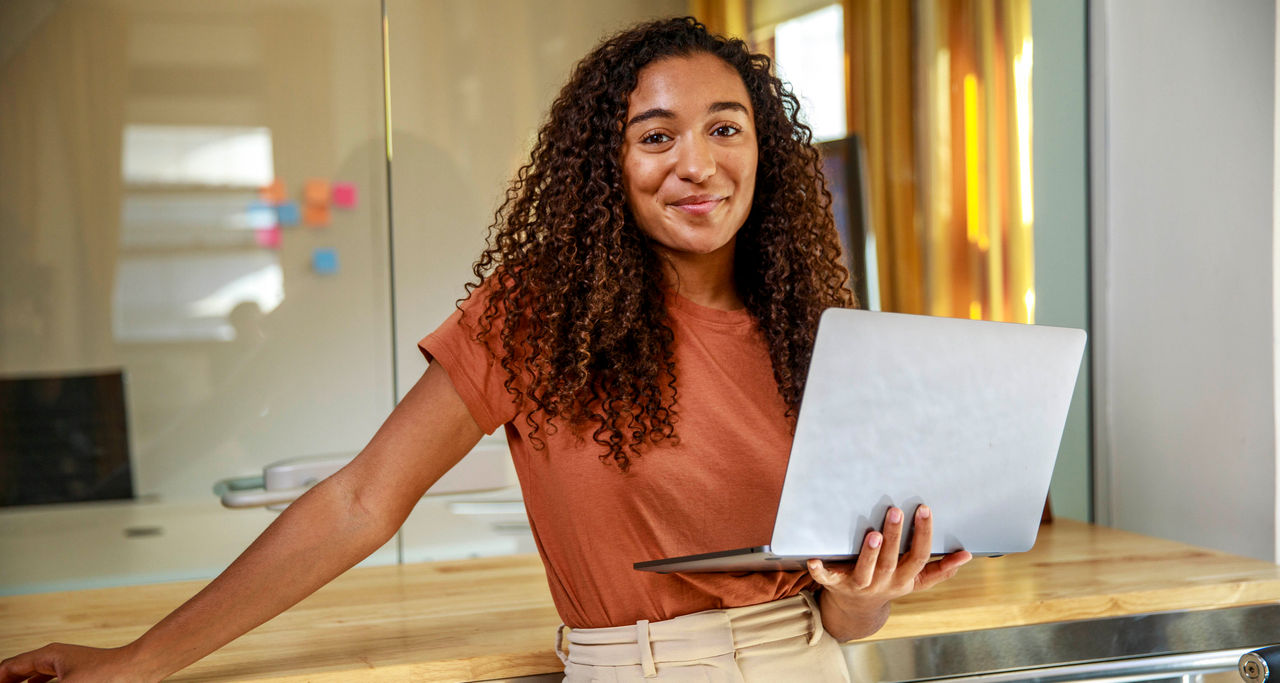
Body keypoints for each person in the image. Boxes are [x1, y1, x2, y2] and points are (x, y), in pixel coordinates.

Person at [0, 17, 971, 682]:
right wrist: (138, 660)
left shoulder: (809, 334)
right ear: (607, 164)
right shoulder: (541, 313)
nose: (697, 163)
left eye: (726, 128)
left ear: (762, 151)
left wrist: (865, 596)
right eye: (655, 136)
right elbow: (360, 500)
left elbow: (838, 614)